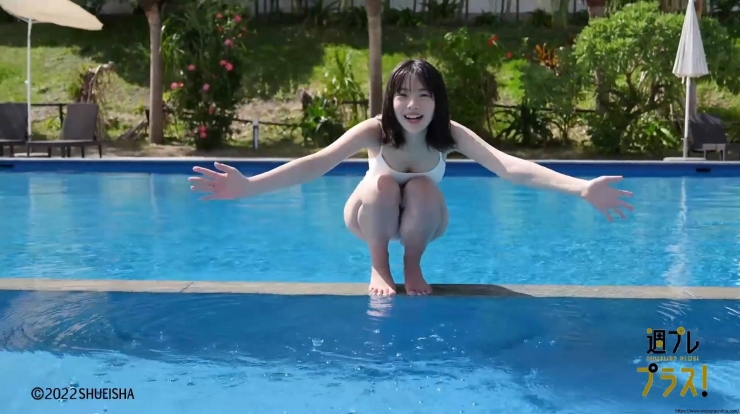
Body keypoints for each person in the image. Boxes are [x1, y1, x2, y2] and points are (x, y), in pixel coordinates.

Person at [188, 59, 634, 296]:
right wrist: (249, 186)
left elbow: (508, 166)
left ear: (438, 101)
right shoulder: (374, 132)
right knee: (383, 183)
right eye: (402, 95)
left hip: (424, 221)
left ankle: (412, 263)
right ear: (391, 101)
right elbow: (317, 162)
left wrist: (581, 188)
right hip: (369, 217)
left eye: (423, 95)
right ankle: (379, 265)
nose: (412, 105)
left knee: (421, 185)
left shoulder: (449, 135)